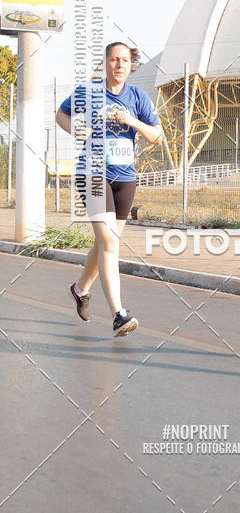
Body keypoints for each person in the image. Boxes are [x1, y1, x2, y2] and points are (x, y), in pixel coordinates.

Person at [56, 42, 163, 337]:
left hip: (125, 178)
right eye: (114, 60)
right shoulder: (89, 92)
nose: (119, 65)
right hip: (92, 174)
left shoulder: (138, 97)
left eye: (124, 61)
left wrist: (131, 120)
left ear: (131, 66)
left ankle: (80, 290)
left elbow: (157, 136)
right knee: (110, 244)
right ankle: (119, 314)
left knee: (106, 242)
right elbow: (61, 114)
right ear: (105, 63)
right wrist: (75, 128)